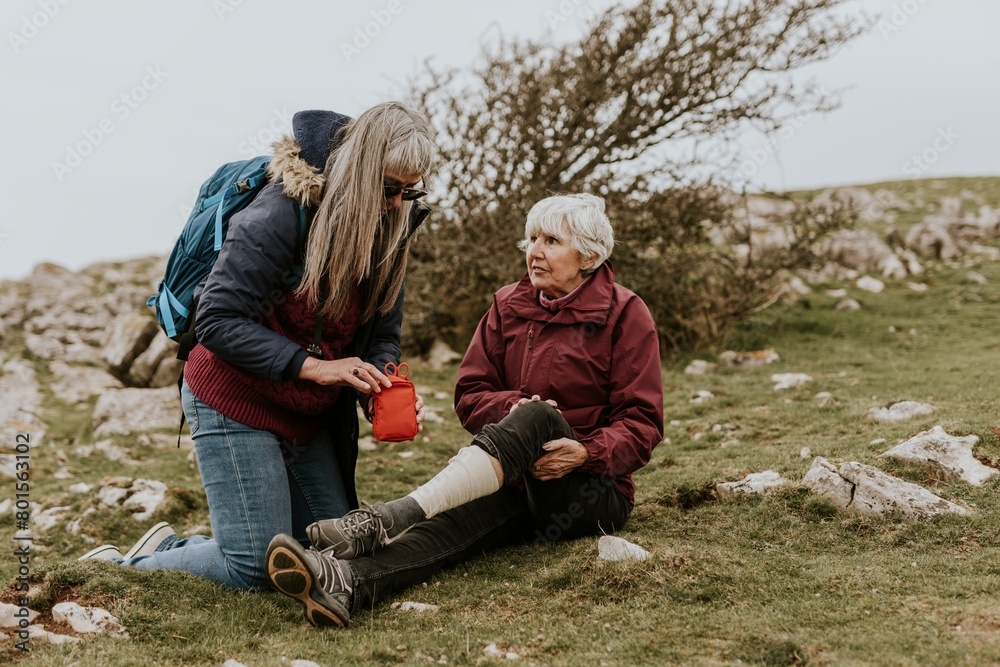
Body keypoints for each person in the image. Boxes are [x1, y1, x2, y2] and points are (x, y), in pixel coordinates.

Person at [77, 102, 436, 591]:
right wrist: (316, 368)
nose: (396, 202)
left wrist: (378, 381)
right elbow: (217, 320)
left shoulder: (389, 228)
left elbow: (382, 333)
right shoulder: (282, 212)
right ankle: (111, 568)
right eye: (388, 187)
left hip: (306, 415)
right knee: (252, 568)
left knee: (330, 551)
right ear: (358, 170)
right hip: (233, 399)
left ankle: (169, 547)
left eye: (408, 191)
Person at [265, 193, 664, 627]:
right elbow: (470, 393)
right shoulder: (508, 305)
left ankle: (386, 516)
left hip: (589, 490)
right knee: (445, 528)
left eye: (551, 241)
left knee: (539, 417)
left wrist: (586, 453)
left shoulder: (625, 313)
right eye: (531, 238)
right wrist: (514, 407)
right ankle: (346, 582)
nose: (534, 252)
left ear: (588, 254)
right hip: (514, 480)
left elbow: (643, 423)